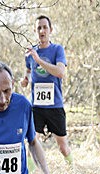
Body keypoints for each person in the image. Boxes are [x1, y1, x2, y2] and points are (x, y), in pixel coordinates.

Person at [21, 15, 72, 164]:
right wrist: (25, 80)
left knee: (63, 147)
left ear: (51, 30)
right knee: (32, 142)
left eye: (45, 27)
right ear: (35, 31)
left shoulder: (57, 50)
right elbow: (29, 71)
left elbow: (60, 72)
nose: (42, 31)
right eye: (39, 28)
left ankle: (73, 170)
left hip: (54, 105)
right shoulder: (30, 53)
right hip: (36, 106)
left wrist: (38, 60)